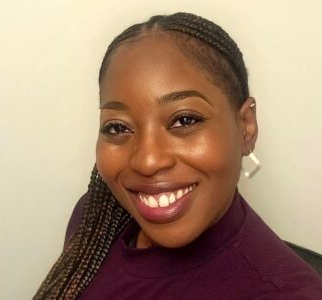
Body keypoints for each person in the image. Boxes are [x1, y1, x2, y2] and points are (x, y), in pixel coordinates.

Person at [34, 12, 322, 299]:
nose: (147, 161)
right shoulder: (94, 218)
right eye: (118, 126)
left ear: (246, 127)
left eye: (185, 120)